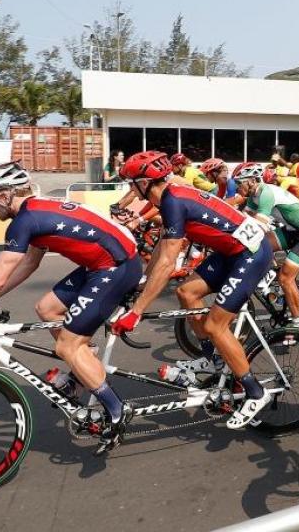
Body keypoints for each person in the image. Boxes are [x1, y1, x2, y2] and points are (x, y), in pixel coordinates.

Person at [0, 162, 143, 454]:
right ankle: (84, 367)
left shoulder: (24, 221)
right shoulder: (35, 209)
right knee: (47, 308)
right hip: (101, 263)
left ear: (3, 194)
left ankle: (116, 409)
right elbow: (29, 263)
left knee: (67, 346)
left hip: (117, 267)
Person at [113, 151, 274, 428]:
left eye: (132, 183)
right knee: (186, 293)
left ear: (145, 182)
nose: (130, 189)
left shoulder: (173, 200)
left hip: (252, 254)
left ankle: (254, 391)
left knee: (215, 325)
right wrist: (138, 284)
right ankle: (213, 359)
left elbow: (166, 263)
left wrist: (136, 312)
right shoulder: (169, 198)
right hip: (231, 253)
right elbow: (162, 251)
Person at [234, 161, 299, 328]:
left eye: (240, 183)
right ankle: (267, 274)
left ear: (253, 180)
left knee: (285, 278)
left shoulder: (266, 193)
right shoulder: (254, 195)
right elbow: (242, 217)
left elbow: (259, 225)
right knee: (260, 243)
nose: (237, 188)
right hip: (293, 230)